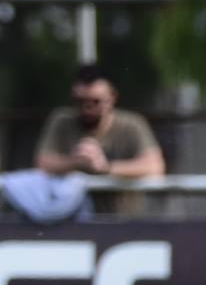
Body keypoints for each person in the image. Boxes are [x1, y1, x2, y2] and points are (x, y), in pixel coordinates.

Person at [35, 63, 165, 215]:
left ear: (112, 97)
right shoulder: (61, 121)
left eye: (95, 101)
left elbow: (154, 167)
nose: (87, 108)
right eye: (80, 101)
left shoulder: (132, 125)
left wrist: (106, 167)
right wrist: (77, 161)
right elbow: (42, 163)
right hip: (71, 223)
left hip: (122, 222)